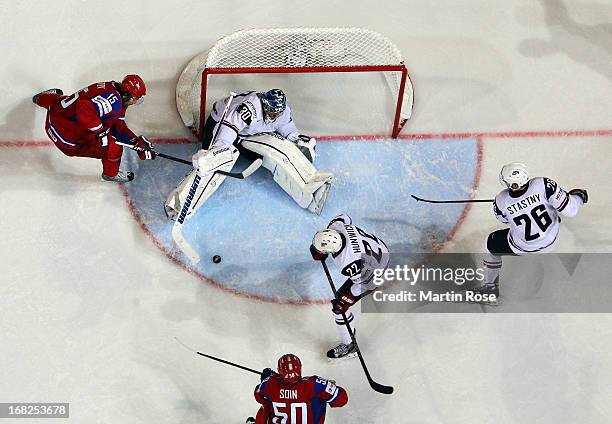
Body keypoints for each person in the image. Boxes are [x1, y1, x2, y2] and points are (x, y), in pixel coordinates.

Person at [164, 89, 332, 222]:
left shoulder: (282, 111)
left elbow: (287, 128)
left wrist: (297, 142)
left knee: (281, 148)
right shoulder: (250, 107)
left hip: (249, 133)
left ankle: (312, 190)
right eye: (271, 112)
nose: (273, 116)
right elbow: (229, 129)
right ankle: (179, 204)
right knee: (215, 163)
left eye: (276, 114)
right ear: (265, 104)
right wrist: (218, 151)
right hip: (221, 125)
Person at [472, 162, 588, 301]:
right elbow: (571, 210)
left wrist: (517, 207)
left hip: (523, 246)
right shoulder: (543, 184)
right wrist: (578, 197)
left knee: (489, 245)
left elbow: (504, 220)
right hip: (552, 238)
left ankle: (489, 288)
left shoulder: (500, 201)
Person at [32, 75, 156, 182]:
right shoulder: (114, 103)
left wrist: (134, 141)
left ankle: (41, 98)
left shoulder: (111, 87)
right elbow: (83, 108)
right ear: (128, 95)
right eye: (135, 99)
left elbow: (117, 125)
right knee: (114, 148)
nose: (134, 102)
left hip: (53, 118)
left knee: (63, 102)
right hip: (66, 141)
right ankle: (111, 175)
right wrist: (100, 131)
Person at [310, 214, 390, 359]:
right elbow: (344, 217)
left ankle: (349, 345)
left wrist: (345, 300)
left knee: (339, 309)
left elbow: (367, 283)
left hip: (375, 270)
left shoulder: (347, 263)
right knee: (341, 301)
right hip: (379, 247)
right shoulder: (337, 228)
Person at [246, 353, 348, 424]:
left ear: (279, 370)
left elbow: (258, 395)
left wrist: (268, 379)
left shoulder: (269, 383)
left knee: (266, 405)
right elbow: (342, 400)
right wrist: (329, 386)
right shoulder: (314, 384)